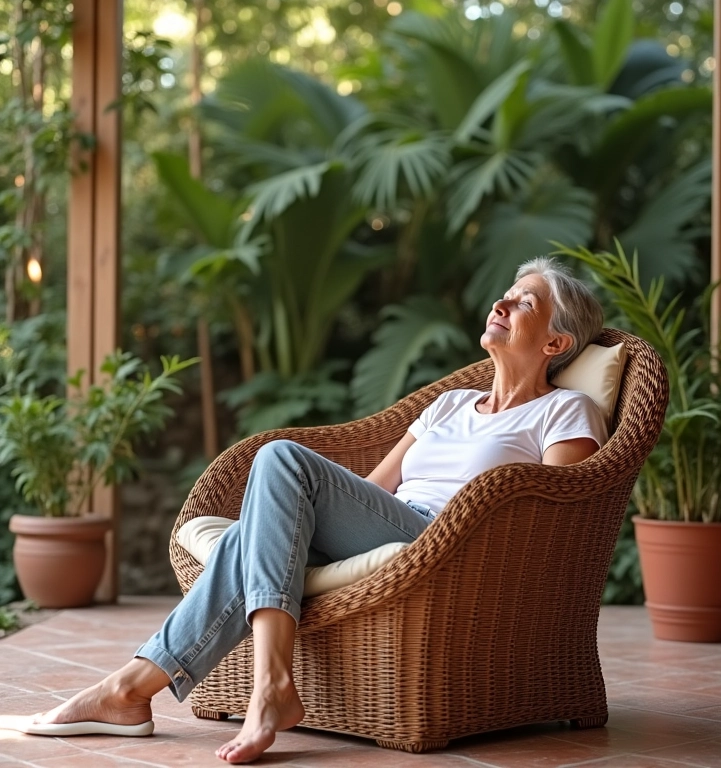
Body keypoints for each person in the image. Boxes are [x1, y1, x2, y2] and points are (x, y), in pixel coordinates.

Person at [0, 256, 607, 764]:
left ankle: (259, 683)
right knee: (251, 534)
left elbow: (550, 516)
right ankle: (131, 690)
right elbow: (373, 489)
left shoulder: (564, 411)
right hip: (394, 526)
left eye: (523, 302)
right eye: (505, 295)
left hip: (450, 541)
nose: (501, 304)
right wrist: (298, 520)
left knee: (282, 459)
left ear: (556, 342)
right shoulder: (448, 405)